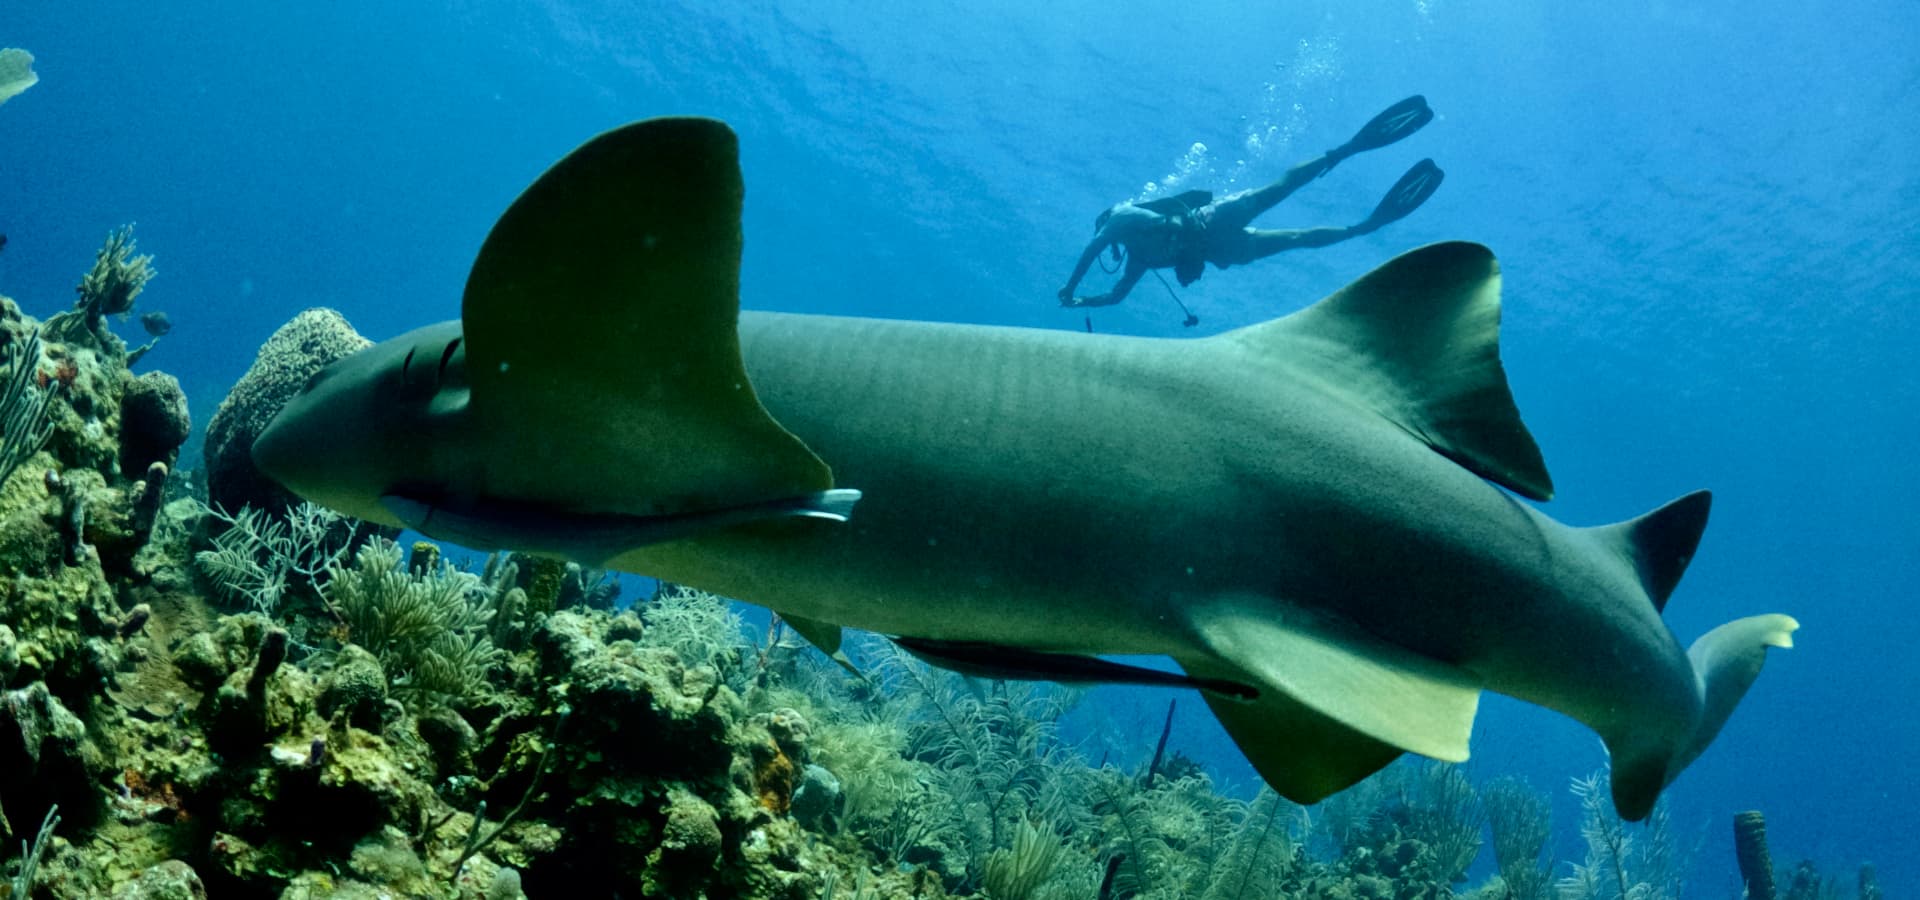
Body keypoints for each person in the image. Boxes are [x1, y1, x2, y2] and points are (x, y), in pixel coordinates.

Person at [1058, 96, 1445, 312]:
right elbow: (1117, 296)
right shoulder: (1137, 260)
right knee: (1296, 234)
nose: (1105, 235)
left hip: (1212, 226)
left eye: (1103, 227)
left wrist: (1071, 287)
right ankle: (1364, 226)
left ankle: (1339, 154)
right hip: (1221, 243)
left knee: (1279, 192)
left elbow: (1094, 248)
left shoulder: (1123, 216)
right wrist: (1078, 302)